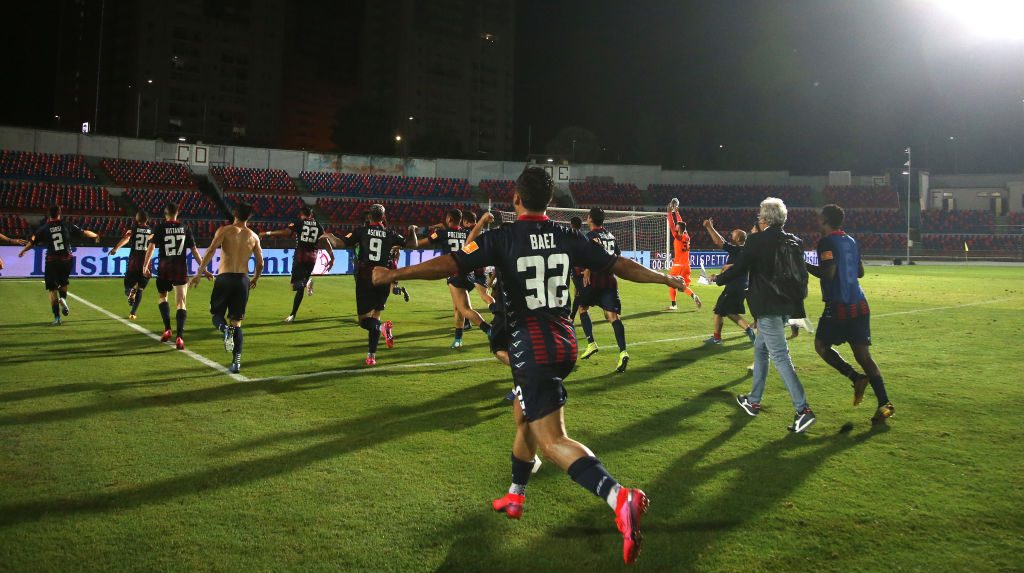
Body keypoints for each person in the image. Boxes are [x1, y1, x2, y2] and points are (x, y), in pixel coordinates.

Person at [372, 167, 689, 565]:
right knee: (523, 414)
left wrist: (392, 274)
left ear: (516, 199)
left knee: (552, 440)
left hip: (531, 346)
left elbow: (449, 264)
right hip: (564, 340)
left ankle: (619, 497)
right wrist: (664, 279)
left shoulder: (502, 237)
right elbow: (619, 265)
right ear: (548, 201)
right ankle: (516, 494)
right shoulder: (567, 235)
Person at [714, 197, 816, 433]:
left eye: (760, 215)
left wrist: (718, 279)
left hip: (768, 306)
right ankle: (753, 401)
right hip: (786, 305)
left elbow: (741, 267)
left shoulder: (757, 240)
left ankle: (803, 410)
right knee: (761, 350)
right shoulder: (795, 241)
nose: (758, 218)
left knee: (780, 356)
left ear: (765, 219)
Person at [807, 204, 894, 423]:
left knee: (821, 346)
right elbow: (860, 272)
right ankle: (884, 403)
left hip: (839, 306)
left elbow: (828, 273)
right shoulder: (851, 241)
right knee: (864, 356)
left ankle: (855, 378)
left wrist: (803, 264)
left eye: (819, 218)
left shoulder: (826, 242)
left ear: (825, 220)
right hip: (860, 304)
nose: (817, 221)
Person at [190, 202, 263, 374]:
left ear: (235, 213)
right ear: (249, 216)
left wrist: (199, 273)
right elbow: (260, 263)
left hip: (224, 278)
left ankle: (224, 329)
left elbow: (210, 250)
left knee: (216, 315)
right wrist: (255, 279)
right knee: (237, 323)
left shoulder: (225, 230)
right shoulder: (254, 236)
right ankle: (236, 362)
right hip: (242, 280)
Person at [338, 204, 408, 366]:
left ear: (369, 216)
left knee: (364, 321)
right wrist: (411, 231)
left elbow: (343, 242)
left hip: (366, 277)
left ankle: (382, 328)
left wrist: (329, 237)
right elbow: (408, 242)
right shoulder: (390, 233)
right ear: (383, 217)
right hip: (384, 277)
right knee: (375, 316)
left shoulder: (362, 231)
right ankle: (371, 356)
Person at [412, 208, 490, 349]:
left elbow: (417, 244)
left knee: (465, 309)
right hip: (469, 273)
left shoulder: (441, 233)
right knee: (458, 309)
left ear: (449, 219)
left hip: (455, 273)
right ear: (460, 220)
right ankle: (458, 340)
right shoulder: (467, 232)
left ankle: (490, 330)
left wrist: (412, 231)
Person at [17, 205, 99, 325]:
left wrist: (23, 251)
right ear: (60, 213)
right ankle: (63, 299)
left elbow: (32, 242)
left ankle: (57, 318)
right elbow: (84, 232)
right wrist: (96, 235)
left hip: (52, 260)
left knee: (52, 289)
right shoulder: (67, 225)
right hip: (67, 259)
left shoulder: (44, 228)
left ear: (48, 215)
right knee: (63, 283)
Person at [258, 206, 334, 323]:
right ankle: (294, 311)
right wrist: (332, 257)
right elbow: (326, 241)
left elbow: (286, 232)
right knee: (300, 286)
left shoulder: (299, 222)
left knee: (296, 286)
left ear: (302, 214)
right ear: (311, 214)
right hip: (312, 257)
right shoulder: (318, 225)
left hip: (300, 256)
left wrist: (267, 233)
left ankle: (295, 310)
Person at [576, 208, 630, 373]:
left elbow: (586, 257)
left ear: (590, 219)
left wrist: (586, 269)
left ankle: (591, 343)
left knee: (582, 308)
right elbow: (617, 256)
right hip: (609, 281)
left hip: (594, 280)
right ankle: (623, 352)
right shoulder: (611, 236)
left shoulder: (590, 236)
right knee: (613, 317)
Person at [143, 202, 202, 350]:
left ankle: (167, 328)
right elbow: (194, 250)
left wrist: (145, 266)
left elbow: (151, 247)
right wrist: (203, 268)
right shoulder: (185, 228)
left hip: (164, 268)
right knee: (181, 303)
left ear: (165, 214)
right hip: (180, 268)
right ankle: (180, 337)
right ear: (177, 213)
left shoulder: (160, 227)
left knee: (163, 297)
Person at [701, 218, 755, 345]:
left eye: (733, 234)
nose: (731, 234)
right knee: (729, 311)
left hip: (733, 287)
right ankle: (748, 330)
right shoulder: (746, 251)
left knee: (718, 311)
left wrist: (709, 227)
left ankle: (718, 338)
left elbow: (719, 242)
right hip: (742, 287)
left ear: (738, 238)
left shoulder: (736, 250)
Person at [107, 210, 154, 320]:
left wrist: (115, 249)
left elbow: (126, 238)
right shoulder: (152, 231)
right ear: (147, 220)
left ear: (137, 219)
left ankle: (130, 292)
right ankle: (133, 313)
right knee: (140, 288)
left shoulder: (133, 229)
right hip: (146, 261)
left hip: (134, 260)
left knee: (128, 286)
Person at [666, 201, 701, 311]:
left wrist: (669, 213)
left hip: (678, 266)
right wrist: (676, 212)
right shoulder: (686, 236)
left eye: (677, 226)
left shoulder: (678, 237)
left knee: (670, 283)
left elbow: (672, 224)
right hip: (687, 266)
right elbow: (681, 223)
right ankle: (694, 296)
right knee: (683, 286)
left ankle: (674, 305)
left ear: (679, 229)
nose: (675, 226)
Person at [567, 216, 585, 321]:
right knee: (578, 292)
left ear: (571, 224)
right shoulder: (584, 237)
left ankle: (571, 316)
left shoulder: (569, 236)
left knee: (579, 293)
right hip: (582, 269)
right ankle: (572, 316)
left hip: (574, 269)